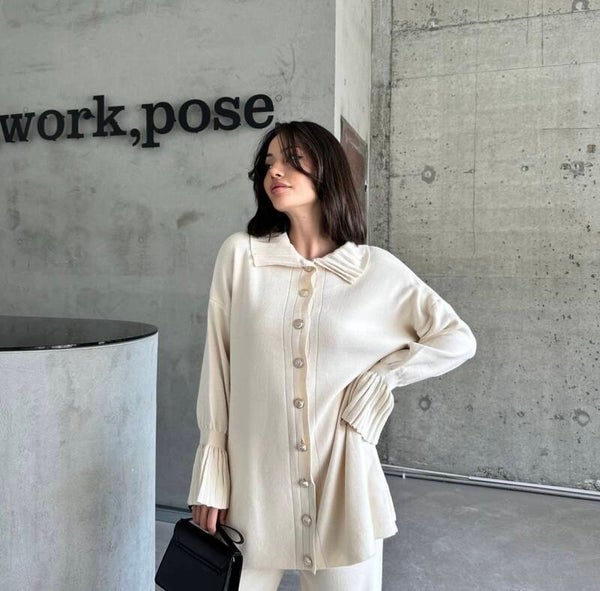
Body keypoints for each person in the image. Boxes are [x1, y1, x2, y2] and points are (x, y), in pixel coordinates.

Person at [187, 120, 477, 591]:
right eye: (268, 163)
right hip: (252, 492)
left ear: (327, 170)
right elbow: (217, 371)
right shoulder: (242, 257)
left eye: (292, 160)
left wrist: (382, 378)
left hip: (346, 490)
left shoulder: (376, 271)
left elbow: (457, 337)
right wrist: (211, 476)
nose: (275, 171)